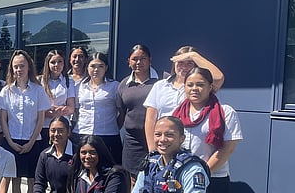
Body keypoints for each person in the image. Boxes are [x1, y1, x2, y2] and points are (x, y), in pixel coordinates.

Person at [172, 67, 243, 193]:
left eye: (200, 84)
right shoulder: (178, 113)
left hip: (212, 178)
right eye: (190, 84)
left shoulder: (225, 112)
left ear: (211, 87)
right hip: (181, 179)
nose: (194, 89)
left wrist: (201, 172)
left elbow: (227, 148)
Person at [0, 49, 50, 193]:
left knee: (32, 180)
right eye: (15, 66)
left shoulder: (38, 90)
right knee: (15, 179)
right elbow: (3, 119)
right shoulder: (6, 91)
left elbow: (41, 119)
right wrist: (10, 142)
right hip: (12, 140)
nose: (19, 69)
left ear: (29, 67)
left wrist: (31, 142)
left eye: (22, 66)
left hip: (33, 141)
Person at [143, 45, 224, 151]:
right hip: (165, 144)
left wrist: (194, 55)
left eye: (189, 63)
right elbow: (150, 119)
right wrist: (152, 150)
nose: (184, 67)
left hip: (192, 145)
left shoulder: (199, 88)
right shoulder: (160, 86)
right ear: (174, 64)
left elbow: (219, 78)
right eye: (180, 62)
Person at [116, 44, 160, 178]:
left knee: (156, 177)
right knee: (132, 179)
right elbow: (121, 113)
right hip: (132, 143)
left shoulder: (162, 80)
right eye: (135, 59)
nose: (139, 62)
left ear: (150, 60)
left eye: (143, 58)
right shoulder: (124, 85)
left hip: (157, 139)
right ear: (129, 61)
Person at [71, 52, 122, 164]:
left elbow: (121, 112)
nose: (96, 70)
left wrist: (113, 126)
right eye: (93, 66)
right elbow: (77, 111)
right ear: (87, 67)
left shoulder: (115, 86)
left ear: (106, 68)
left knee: (109, 168)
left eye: (100, 66)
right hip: (82, 133)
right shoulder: (79, 86)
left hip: (108, 135)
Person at [40, 49, 75, 150]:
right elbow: (36, 107)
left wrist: (58, 112)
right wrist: (48, 112)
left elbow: (71, 108)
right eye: (53, 62)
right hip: (45, 126)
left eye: (60, 62)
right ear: (48, 64)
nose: (56, 65)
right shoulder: (40, 81)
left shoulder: (69, 81)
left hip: (63, 126)